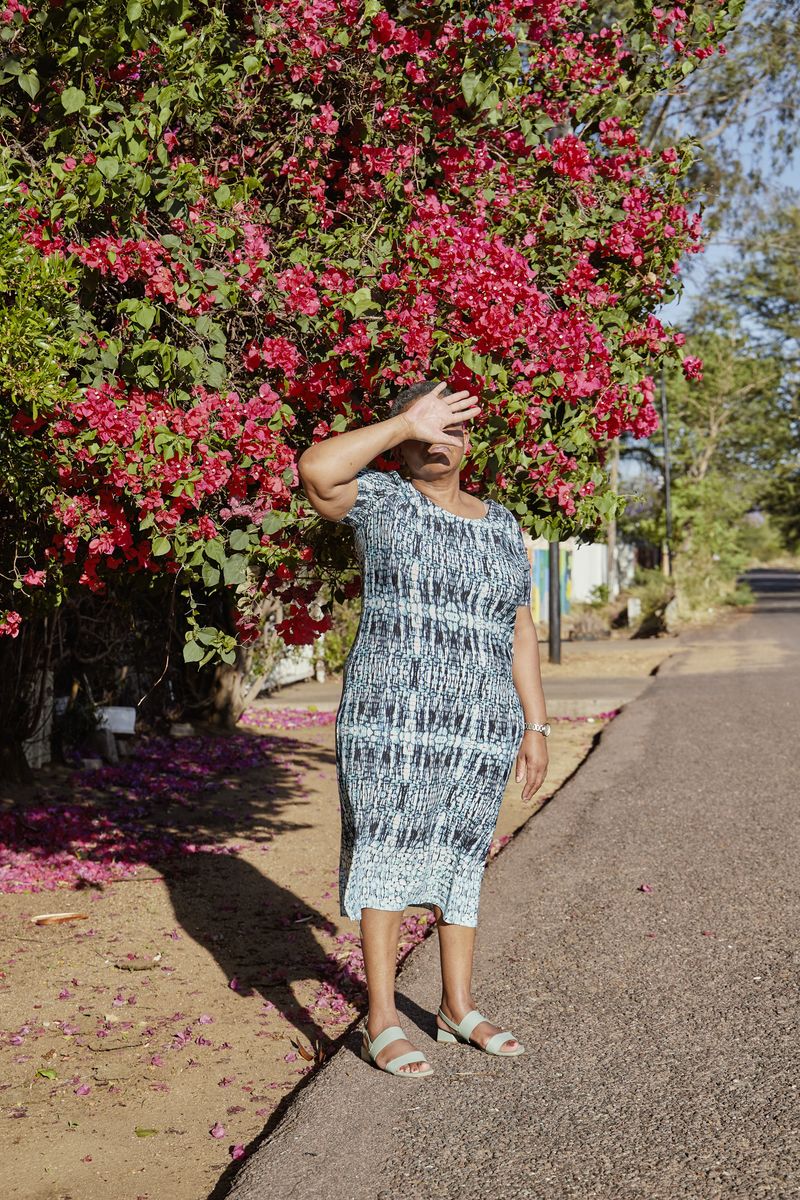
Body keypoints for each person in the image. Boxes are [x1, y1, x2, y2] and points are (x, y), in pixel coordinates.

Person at [297, 380, 550, 1078]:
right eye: (424, 432)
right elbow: (316, 469)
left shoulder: (502, 523)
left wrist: (536, 724)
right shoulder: (378, 500)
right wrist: (404, 417)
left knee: (462, 856)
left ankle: (456, 1007)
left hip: (482, 721)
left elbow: (520, 628)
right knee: (385, 849)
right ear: (404, 441)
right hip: (392, 717)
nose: (439, 442)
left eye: (452, 429)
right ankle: (381, 1019)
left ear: (472, 443)